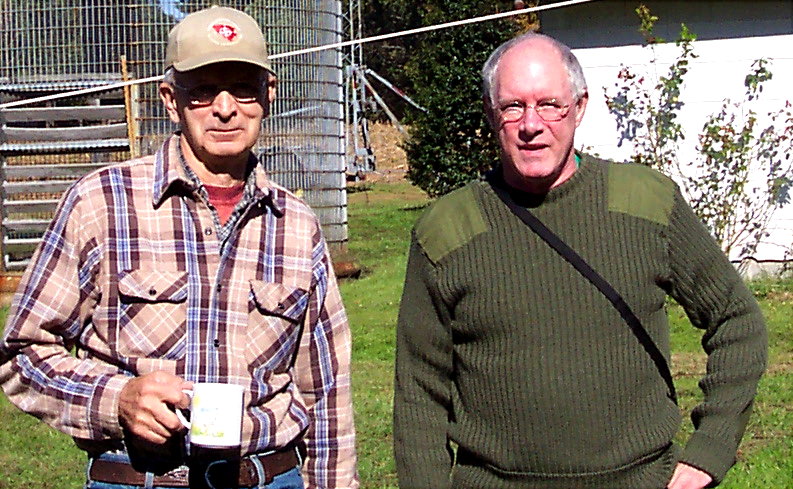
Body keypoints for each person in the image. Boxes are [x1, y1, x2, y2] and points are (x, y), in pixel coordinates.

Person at [0, 6, 358, 489]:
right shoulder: (102, 203)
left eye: (243, 88)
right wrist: (117, 399)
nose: (226, 108)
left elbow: (326, 391)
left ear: (268, 95)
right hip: (138, 477)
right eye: (204, 90)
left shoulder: (296, 224)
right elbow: (22, 354)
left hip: (269, 476)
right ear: (171, 99)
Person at [393, 32, 767, 489]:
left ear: (580, 107)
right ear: (492, 116)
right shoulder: (447, 229)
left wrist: (710, 450)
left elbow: (737, 322)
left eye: (550, 103)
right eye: (513, 107)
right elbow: (419, 392)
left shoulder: (646, 202)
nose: (532, 124)